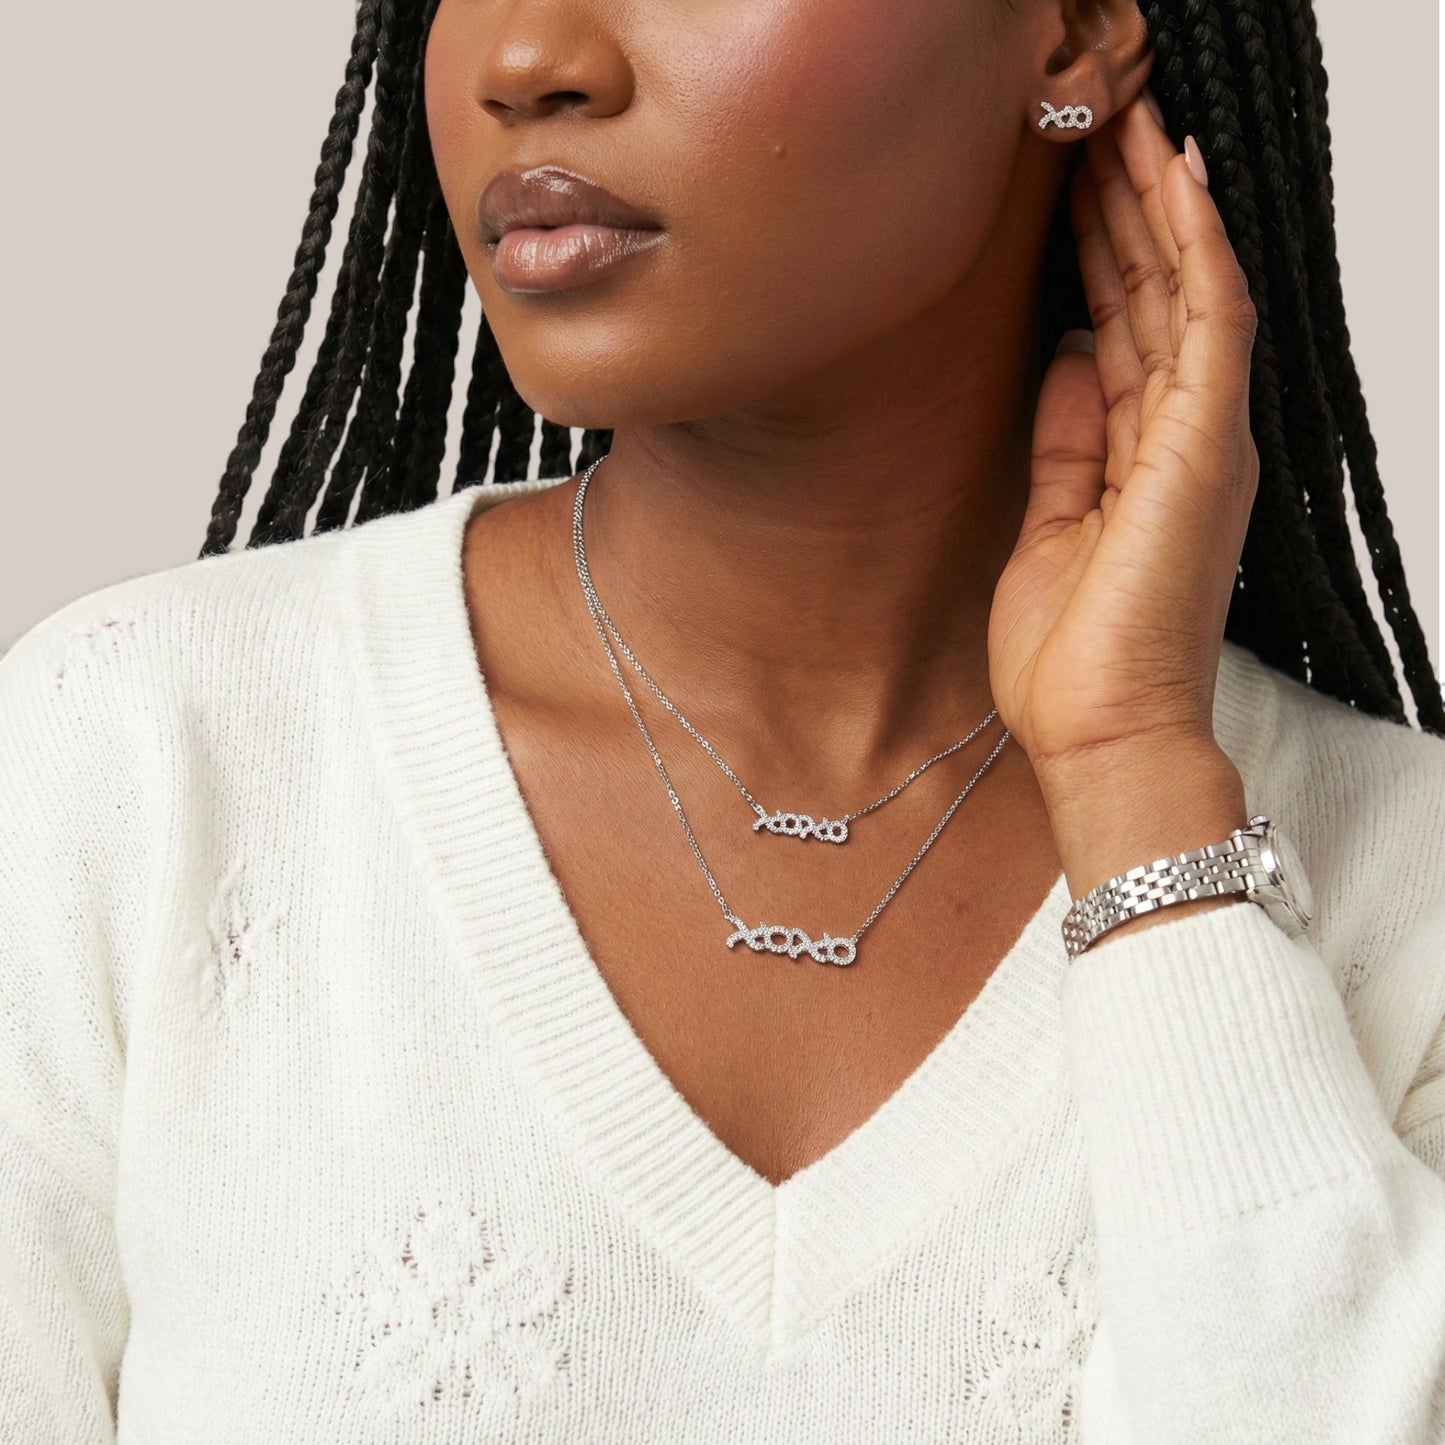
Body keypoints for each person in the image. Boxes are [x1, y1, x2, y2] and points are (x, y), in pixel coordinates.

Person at [3, 0, 1443, 1439]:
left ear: (1065, 37)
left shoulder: (1411, 895)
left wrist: (1134, 773)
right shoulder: (136, 764)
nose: (524, 60)